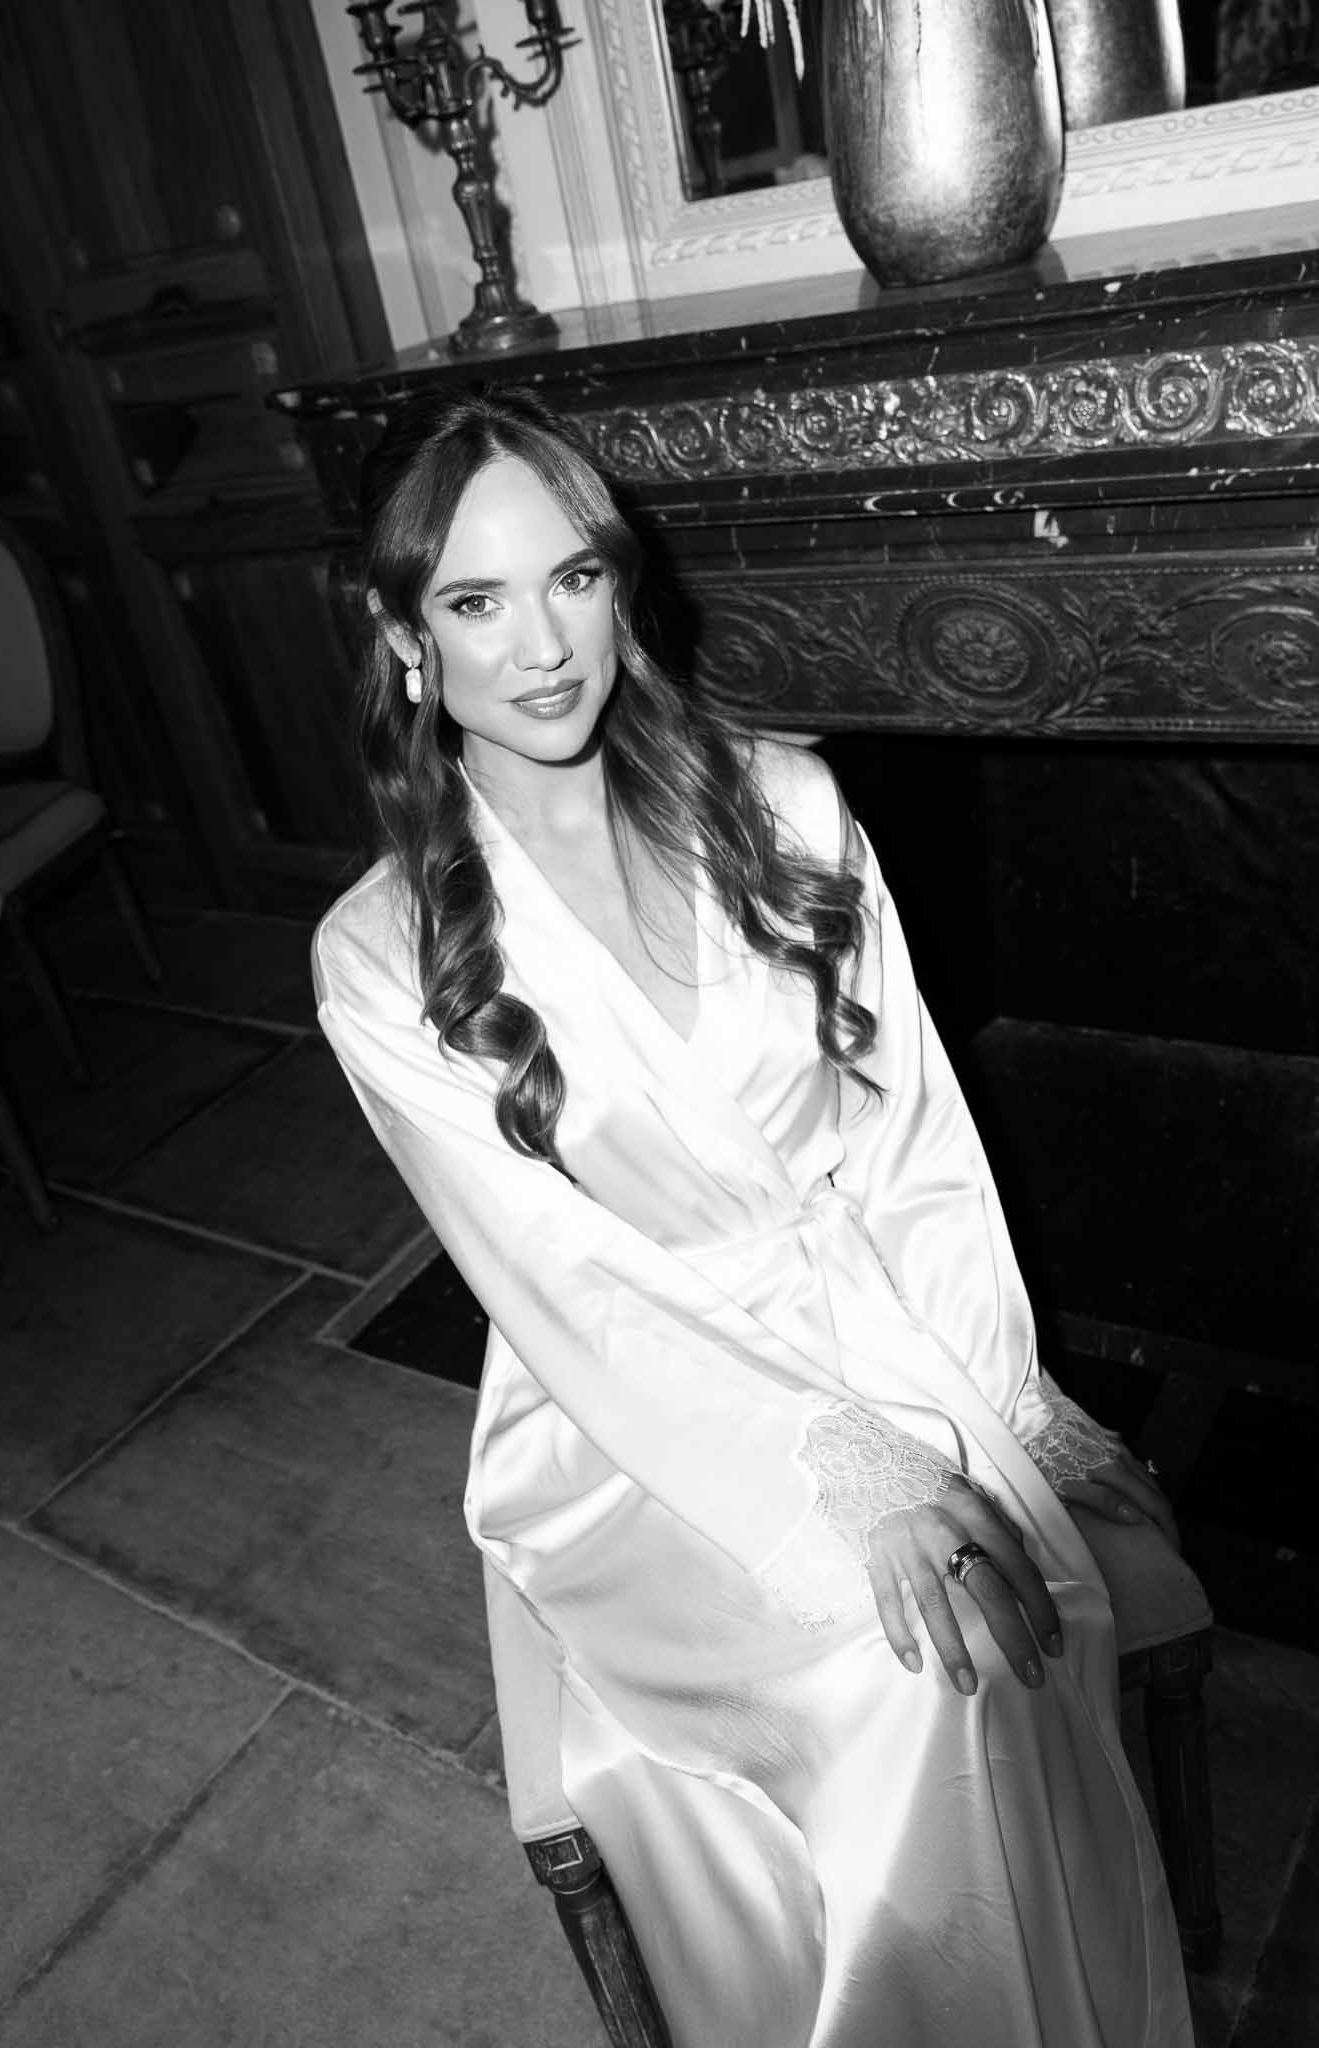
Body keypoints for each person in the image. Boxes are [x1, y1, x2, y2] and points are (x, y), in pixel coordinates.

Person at [313, 386, 1195, 2047]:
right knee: (907, 1676)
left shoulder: (785, 804)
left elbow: (914, 1137)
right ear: (405, 638)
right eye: (475, 601)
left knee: (1021, 1609)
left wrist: (997, 1398)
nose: (543, 646)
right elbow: (564, 1289)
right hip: (634, 1425)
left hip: (887, 1315)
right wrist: (842, 1469)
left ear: (620, 585)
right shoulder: (379, 959)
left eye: (572, 578)